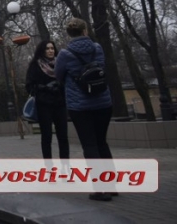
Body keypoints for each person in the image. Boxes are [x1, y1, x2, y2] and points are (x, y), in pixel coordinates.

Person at [55, 17, 114, 202]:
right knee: (102, 143)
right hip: (103, 102)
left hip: (80, 106)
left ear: (69, 34)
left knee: (89, 145)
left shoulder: (65, 54)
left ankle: (100, 189)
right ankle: (111, 185)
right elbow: (102, 67)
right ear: (85, 31)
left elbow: (58, 76)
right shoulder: (97, 48)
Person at [25, 40, 69, 160]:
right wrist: (44, 88)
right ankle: (49, 166)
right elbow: (29, 86)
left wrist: (60, 86)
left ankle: (65, 165)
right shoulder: (35, 65)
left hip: (60, 103)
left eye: (52, 48)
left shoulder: (60, 64)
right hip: (44, 104)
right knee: (46, 136)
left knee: (63, 136)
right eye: (47, 48)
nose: (50, 51)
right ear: (42, 50)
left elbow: (68, 81)